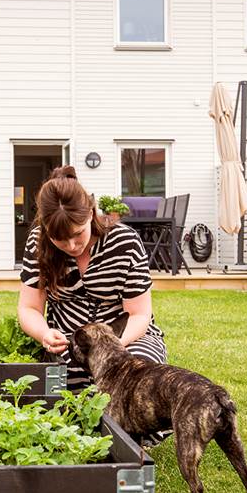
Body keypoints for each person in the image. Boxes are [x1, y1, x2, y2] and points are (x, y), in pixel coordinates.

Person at [17, 165, 167, 389]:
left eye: (77, 234)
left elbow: (139, 314)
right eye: (59, 239)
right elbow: (29, 308)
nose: (71, 246)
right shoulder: (38, 242)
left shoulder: (125, 242)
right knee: (62, 395)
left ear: (91, 213)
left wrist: (109, 347)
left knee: (138, 384)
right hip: (68, 343)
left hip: (125, 339)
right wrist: (45, 334)